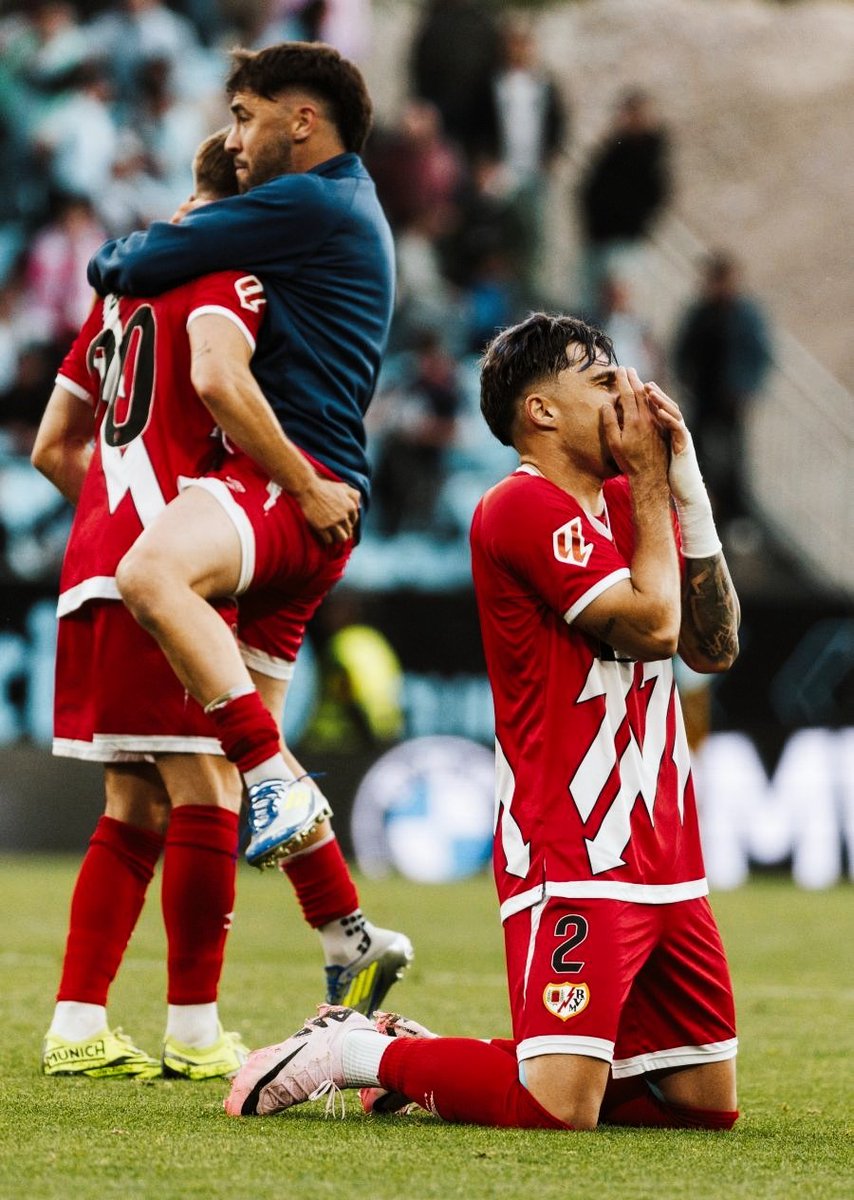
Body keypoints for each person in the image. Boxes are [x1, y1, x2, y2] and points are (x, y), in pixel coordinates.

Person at [224, 312, 742, 1133]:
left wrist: (683, 482)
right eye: (605, 383)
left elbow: (715, 648)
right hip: (571, 843)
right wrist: (651, 482)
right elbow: (654, 627)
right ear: (541, 411)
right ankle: (353, 1053)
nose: (631, 398)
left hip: (667, 850)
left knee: (701, 1112)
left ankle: (431, 1055)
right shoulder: (519, 509)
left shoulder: (627, 501)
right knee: (556, 1112)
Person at [32, 130, 409, 1082]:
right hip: (174, 561)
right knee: (212, 787)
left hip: (96, 560)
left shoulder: (116, 299)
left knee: (132, 801)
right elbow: (215, 377)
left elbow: (52, 446)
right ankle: (199, 1031)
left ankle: (78, 1023)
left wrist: (113, 520)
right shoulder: (230, 279)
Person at [86, 42, 396, 871]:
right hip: (321, 496)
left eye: (245, 117)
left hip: (286, 484)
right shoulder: (343, 207)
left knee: (149, 574)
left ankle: (274, 783)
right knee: (232, 767)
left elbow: (138, 261)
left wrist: (112, 260)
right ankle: (352, 947)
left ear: (302, 122)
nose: (232, 138)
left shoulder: (310, 201)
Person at [673, 250, 771, 523]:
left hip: (731, 401)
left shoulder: (746, 316)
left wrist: (744, 388)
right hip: (704, 397)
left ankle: (736, 514)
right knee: (699, 453)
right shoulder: (701, 314)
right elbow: (683, 350)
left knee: (734, 458)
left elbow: (758, 354)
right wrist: (685, 378)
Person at [576, 89, 671, 313]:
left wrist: (633, 223)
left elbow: (654, 195)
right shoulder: (613, 151)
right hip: (601, 239)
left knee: (623, 306)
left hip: (627, 240)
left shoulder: (650, 155)